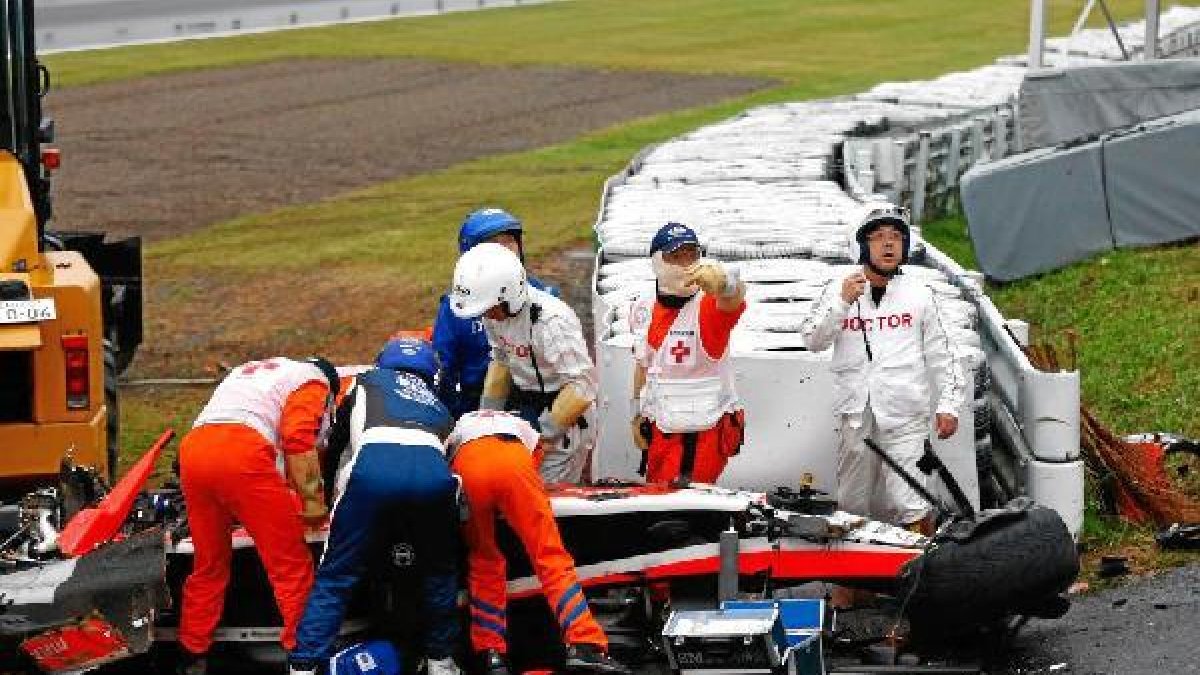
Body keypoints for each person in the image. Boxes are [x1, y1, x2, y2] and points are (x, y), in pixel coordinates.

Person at [288, 338, 462, 675]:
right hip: (434, 477)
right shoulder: (439, 405)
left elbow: (336, 446)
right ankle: (442, 660)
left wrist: (323, 501)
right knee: (440, 574)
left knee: (336, 577)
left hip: (372, 471)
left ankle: (305, 664)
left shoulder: (365, 382)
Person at [799, 204, 967, 538]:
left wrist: (949, 404)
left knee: (913, 500)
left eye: (895, 237)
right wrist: (842, 303)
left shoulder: (921, 295)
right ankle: (854, 585)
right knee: (851, 504)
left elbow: (944, 353)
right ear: (861, 245)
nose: (889, 244)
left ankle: (920, 577)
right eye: (878, 237)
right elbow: (812, 339)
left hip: (906, 416)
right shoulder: (838, 289)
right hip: (855, 416)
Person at [176, 356, 338, 675]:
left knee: (208, 563)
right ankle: (304, 656)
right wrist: (314, 505)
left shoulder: (254, 371)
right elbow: (298, 437)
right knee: (290, 565)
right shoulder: (313, 381)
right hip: (242, 454)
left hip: (194, 451)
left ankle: (191, 652)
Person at [447, 410, 630, 675]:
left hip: (468, 464)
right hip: (513, 460)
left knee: (484, 561)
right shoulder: (524, 425)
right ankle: (584, 643)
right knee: (550, 557)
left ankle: (491, 654)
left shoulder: (461, 423)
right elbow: (535, 465)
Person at [447, 242, 596, 485]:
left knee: (547, 495)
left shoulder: (551, 322)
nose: (486, 316)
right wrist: (485, 421)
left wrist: (544, 436)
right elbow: (501, 361)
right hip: (528, 407)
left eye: (489, 309)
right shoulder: (495, 313)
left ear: (510, 295)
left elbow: (582, 387)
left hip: (564, 419)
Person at [628, 222, 748, 486]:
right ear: (657, 262)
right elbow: (642, 364)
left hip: (701, 436)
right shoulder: (641, 305)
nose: (685, 264)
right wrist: (636, 413)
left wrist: (726, 284)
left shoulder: (708, 304)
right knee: (656, 498)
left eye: (691, 255)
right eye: (675, 256)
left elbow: (734, 300)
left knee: (681, 514)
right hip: (659, 428)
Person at [432, 208, 559, 419]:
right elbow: (444, 369)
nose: (506, 249)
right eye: (494, 243)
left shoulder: (544, 300)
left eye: (510, 240)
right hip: (473, 406)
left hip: (534, 405)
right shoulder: (455, 308)